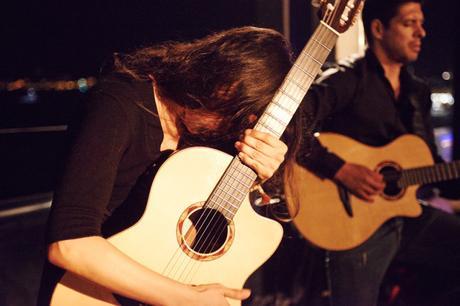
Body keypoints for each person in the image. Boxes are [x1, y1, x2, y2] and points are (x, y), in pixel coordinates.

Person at [37, 26, 303, 306]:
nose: (231, 128)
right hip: (91, 295)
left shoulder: (207, 134)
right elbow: (68, 243)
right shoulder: (119, 104)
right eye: (230, 113)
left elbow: (197, 224)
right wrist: (186, 298)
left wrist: (255, 175)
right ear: (217, 81)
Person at [294, 0, 460, 305]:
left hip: (405, 216)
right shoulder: (347, 80)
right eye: (410, 23)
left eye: (421, 24)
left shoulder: (417, 92)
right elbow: (291, 125)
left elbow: (432, 165)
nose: (422, 32)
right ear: (379, 29)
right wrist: (340, 168)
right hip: (351, 223)